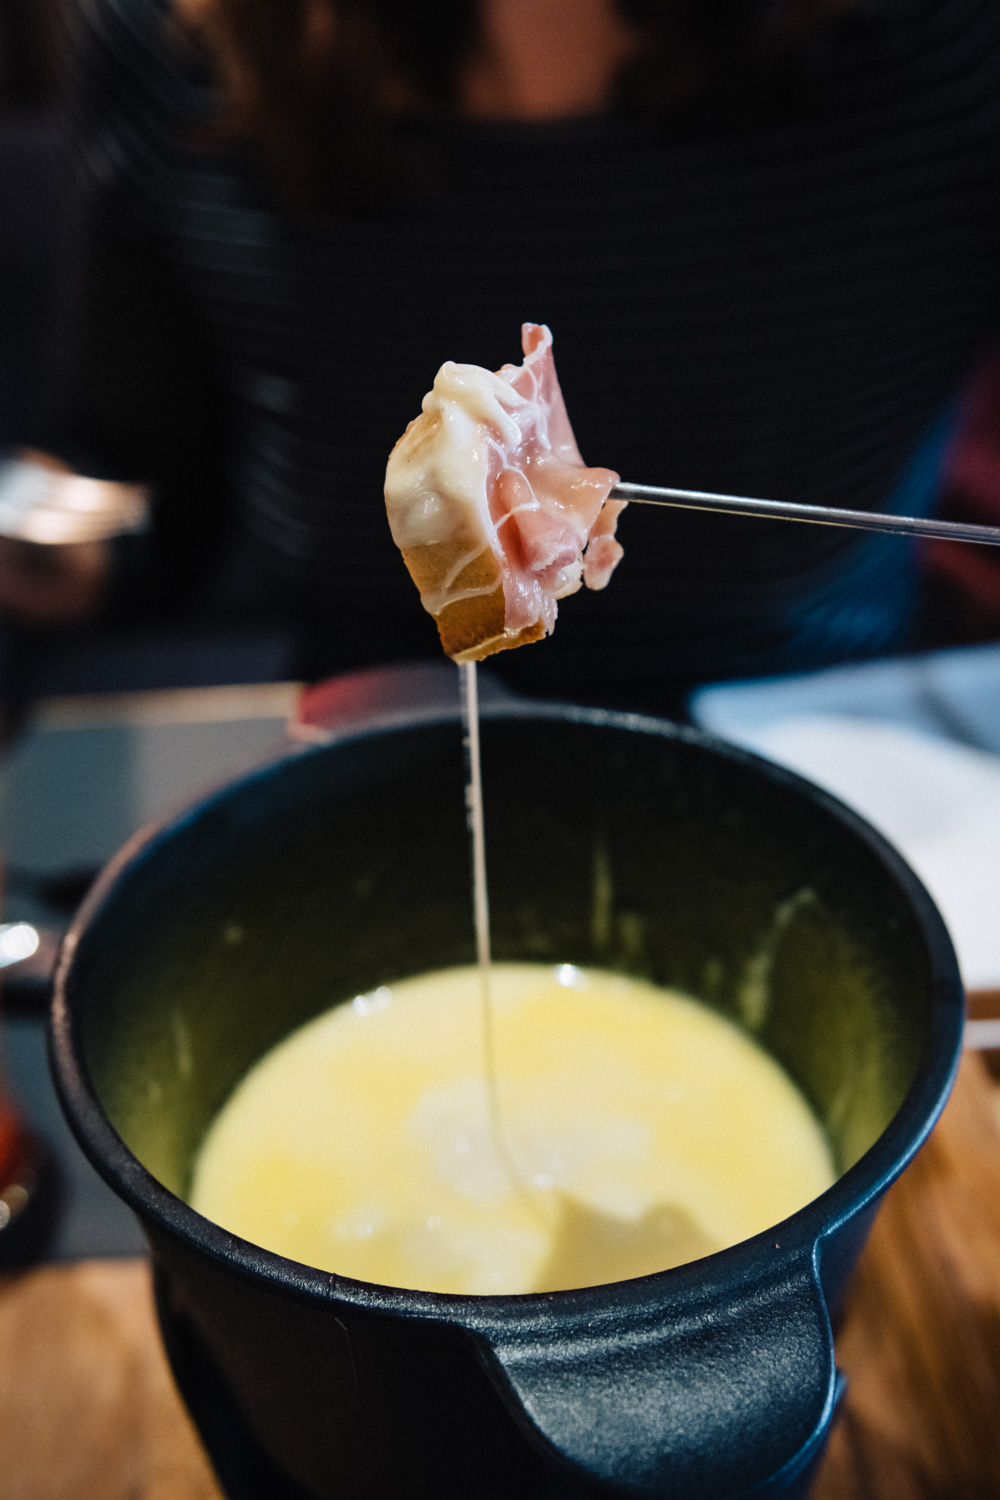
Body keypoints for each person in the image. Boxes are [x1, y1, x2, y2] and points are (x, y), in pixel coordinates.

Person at [10, 0, 1000, 706]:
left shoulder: (946, 40)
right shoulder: (174, 36)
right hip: (387, 748)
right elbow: (132, 477)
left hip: (831, 749)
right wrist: (26, 535)